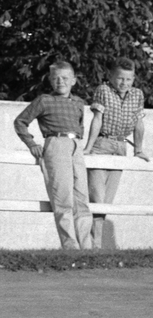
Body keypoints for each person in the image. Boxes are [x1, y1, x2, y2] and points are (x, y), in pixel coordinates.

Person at [13, 60, 94, 250]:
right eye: (56, 78)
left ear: (73, 80)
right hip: (56, 145)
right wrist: (31, 143)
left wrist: (79, 144)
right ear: (50, 80)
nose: (61, 82)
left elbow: (81, 125)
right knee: (63, 199)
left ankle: (87, 248)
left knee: (82, 198)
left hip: (76, 146)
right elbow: (20, 122)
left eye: (65, 78)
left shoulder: (79, 102)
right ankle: (70, 247)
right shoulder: (44, 100)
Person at [83, 59, 148, 249]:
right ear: (111, 76)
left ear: (133, 78)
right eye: (120, 78)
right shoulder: (103, 90)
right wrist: (89, 147)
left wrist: (138, 149)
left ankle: (96, 244)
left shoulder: (137, 95)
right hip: (102, 143)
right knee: (97, 197)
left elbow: (139, 123)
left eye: (128, 79)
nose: (124, 83)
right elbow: (97, 119)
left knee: (107, 201)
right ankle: (93, 244)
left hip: (121, 146)